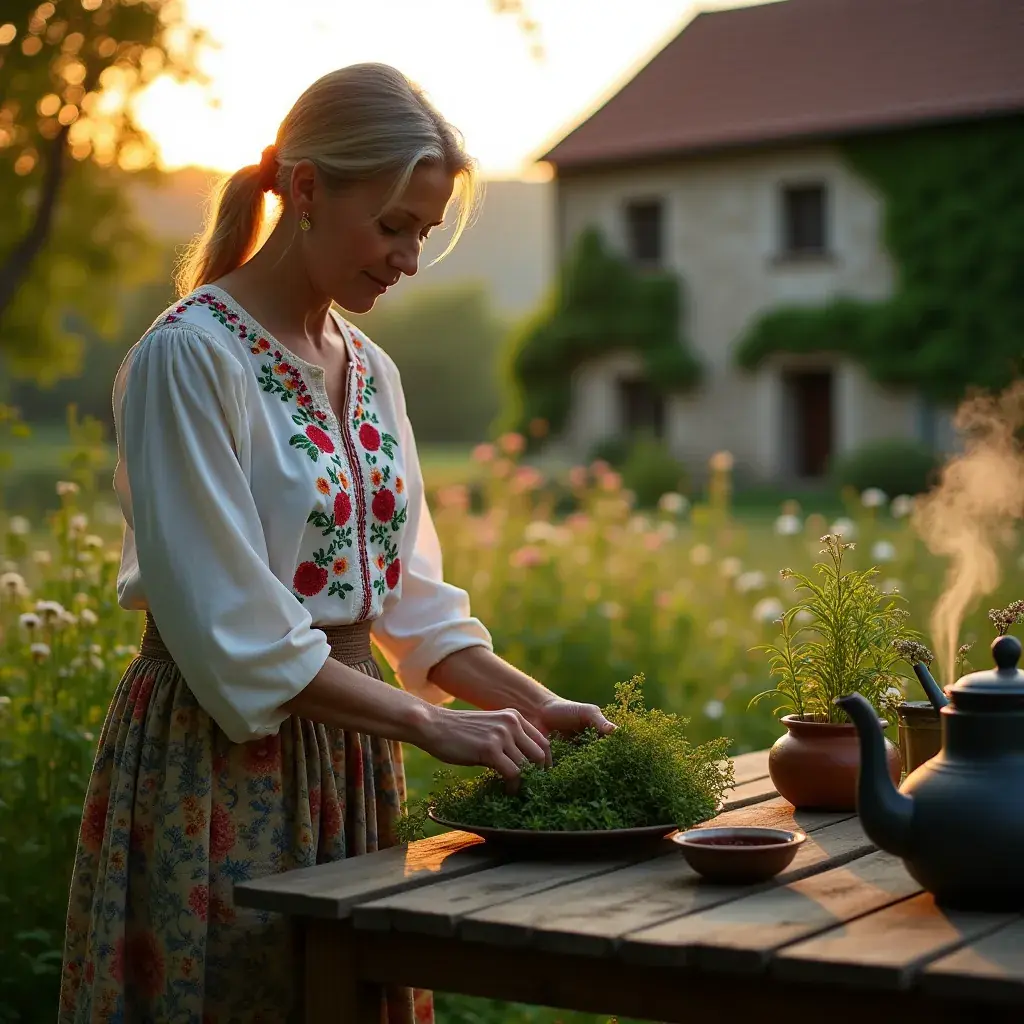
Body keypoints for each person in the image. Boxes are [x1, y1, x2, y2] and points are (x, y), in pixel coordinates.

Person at [58, 63, 614, 1024]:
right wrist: (430, 725)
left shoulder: (371, 369)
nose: (409, 260)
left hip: (356, 757)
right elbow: (233, 632)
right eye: (394, 226)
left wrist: (533, 703)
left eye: (423, 234)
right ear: (307, 189)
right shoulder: (190, 357)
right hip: (220, 760)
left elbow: (411, 606)